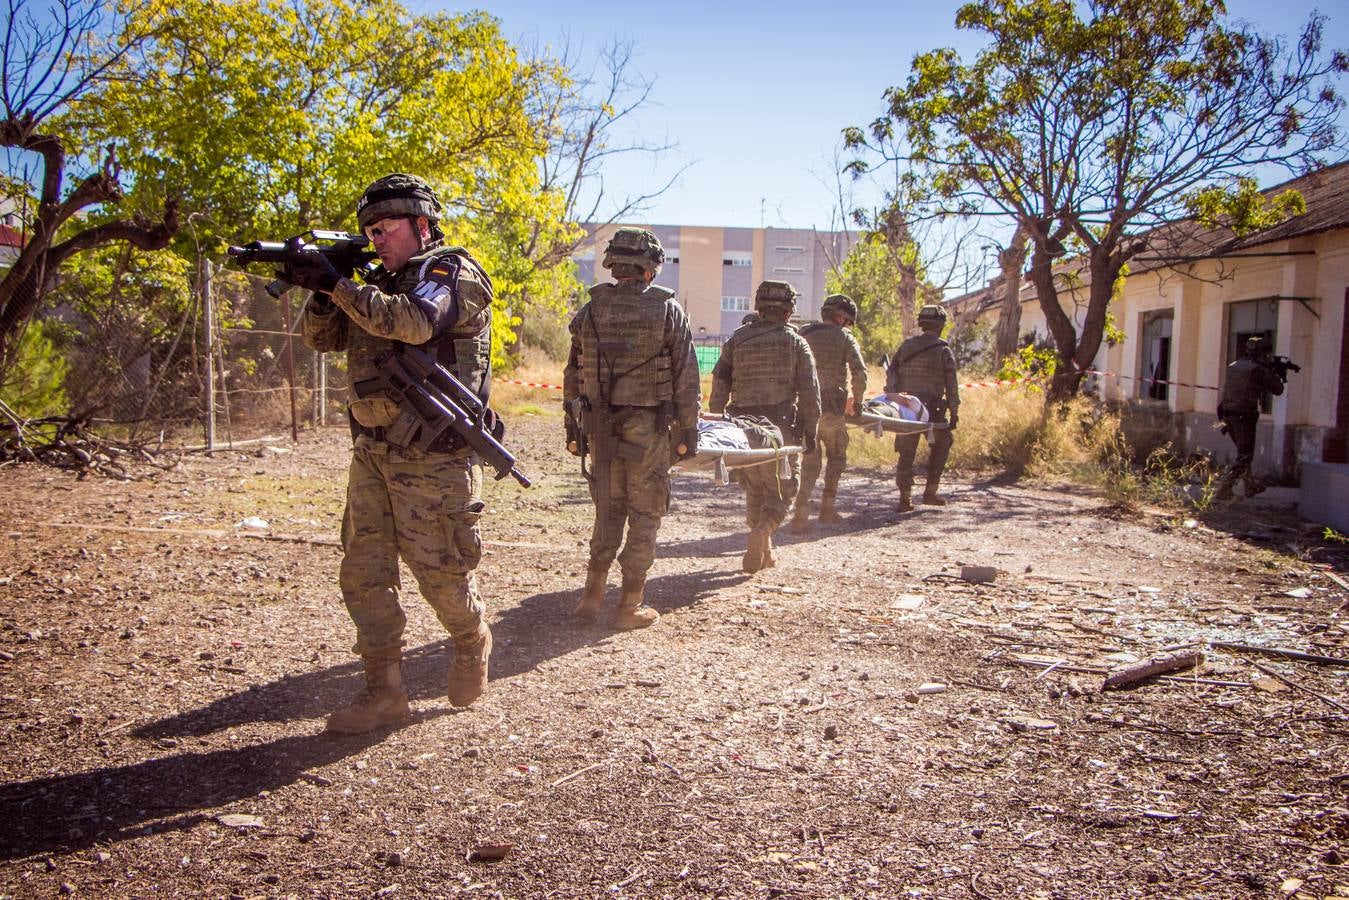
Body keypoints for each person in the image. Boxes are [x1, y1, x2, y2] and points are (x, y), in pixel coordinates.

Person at [293, 173, 495, 734]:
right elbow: (321, 339)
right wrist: (322, 286)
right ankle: (383, 692)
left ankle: (471, 637)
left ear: (422, 225)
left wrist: (339, 283)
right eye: (370, 230)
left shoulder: (451, 273)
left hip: (433, 458)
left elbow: (413, 323)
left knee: (441, 578)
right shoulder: (376, 284)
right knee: (363, 574)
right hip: (372, 453)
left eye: (386, 228)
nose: (376, 238)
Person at [564, 228, 701, 629]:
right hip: (647, 428)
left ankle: (591, 597)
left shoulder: (590, 311)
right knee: (645, 513)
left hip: (597, 427)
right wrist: (688, 432)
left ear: (615, 264)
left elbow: (572, 375)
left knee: (608, 509)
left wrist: (573, 430)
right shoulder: (667, 310)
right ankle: (628, 606)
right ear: (650, 269)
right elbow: (686, 378)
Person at [710, 280, 821, 572]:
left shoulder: (737, 339)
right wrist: (811, 430)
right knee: (784, 490)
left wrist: (718, 426)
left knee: (755, 486)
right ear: (788, 311)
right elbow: (810, 391)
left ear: (758, 306)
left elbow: (719, 383)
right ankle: (763, 532)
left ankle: (765, 551)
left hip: (741, 428)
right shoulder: (796, 342)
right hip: (780, 428)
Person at [790, 294, 867, 531]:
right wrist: (859, 402)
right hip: (832, 409)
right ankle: (827, 507)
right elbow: (860, 373)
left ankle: (801, 512)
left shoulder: (803, 334)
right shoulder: (844, 337)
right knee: (837, 457)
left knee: (810, 461)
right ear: (841, 317)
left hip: (805, 408)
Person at [886, 304, 960, 512]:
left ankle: (904, 498)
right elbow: (951, 386)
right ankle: (930, 492)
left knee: (906, 452)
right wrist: (954, 413)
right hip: (934, 410)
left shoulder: (906, 346)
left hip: (908, 408)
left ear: (921, 323)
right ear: (941, 326)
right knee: (942, 445)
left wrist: (895, 398)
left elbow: (891, 374)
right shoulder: (944, 350)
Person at [1215, 335, 1285, 500]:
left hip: (1227, 413)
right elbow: (1277, 389)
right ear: (1262, 353)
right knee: (1245, 455)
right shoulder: (1257, 370)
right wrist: (1277, 373)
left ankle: (1250, 486)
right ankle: (1224, 489)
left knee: (1243, 453)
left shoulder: (1235, 365)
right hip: (1243, 416)